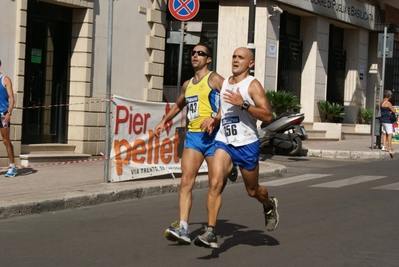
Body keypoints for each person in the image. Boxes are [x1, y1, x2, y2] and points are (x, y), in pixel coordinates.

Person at [194, 47, 279, 249]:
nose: (235, 60)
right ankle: (211, 232)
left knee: (252, 191)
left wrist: (245, 105)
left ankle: (269, 204)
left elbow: (268, 116)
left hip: (247, 144)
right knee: (215, 182)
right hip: (225, 141)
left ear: (250, 64)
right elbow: (224, 110)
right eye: (233, 56)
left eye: (241, 57)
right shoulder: (224, 85)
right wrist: (214, 120)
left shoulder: (252, 85)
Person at [154, 43, 237, 245]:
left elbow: (229, 101)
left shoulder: (215, 79)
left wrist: (216, 118)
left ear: (208, 59)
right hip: (194, 137)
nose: (195, 56)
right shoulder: (187, 84)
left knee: (215, 184)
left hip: (214, 137)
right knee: (185, 181)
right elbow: (179, 104)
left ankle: (230, 165)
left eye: (201, 53)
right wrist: (164, 121)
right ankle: (183, 228)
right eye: (193, 53)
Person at [0, 60, 17, 177]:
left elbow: (12, 98)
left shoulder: (5, 79)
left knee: (6, 140)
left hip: (3, 114)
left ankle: (12, 166)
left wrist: (9, 113)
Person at [380, 89, 396, 156]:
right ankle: (389, 148)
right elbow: (394, 110)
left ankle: (384, 146)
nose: (391, 97)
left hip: (382, 119)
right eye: (391, 95)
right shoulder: (388, 103)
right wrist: (391, 111)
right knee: (390, 134)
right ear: (389, 96)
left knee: (384, 133)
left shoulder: (382, 102)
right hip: (387, 120)